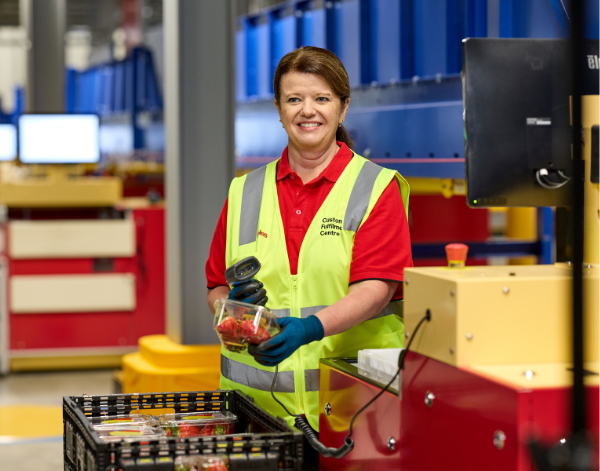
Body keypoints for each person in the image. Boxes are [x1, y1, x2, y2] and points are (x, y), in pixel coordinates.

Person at [206, 46, 412, 433]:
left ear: (343, 107)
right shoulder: (243, 191)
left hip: (351, 412)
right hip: (255, 416)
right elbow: (216, 284)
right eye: (294, 99)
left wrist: (309, 328)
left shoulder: (374, 188)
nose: (308, 110)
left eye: (322, 98)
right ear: (280, 110)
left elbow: (377, 288)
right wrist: (232, 312)